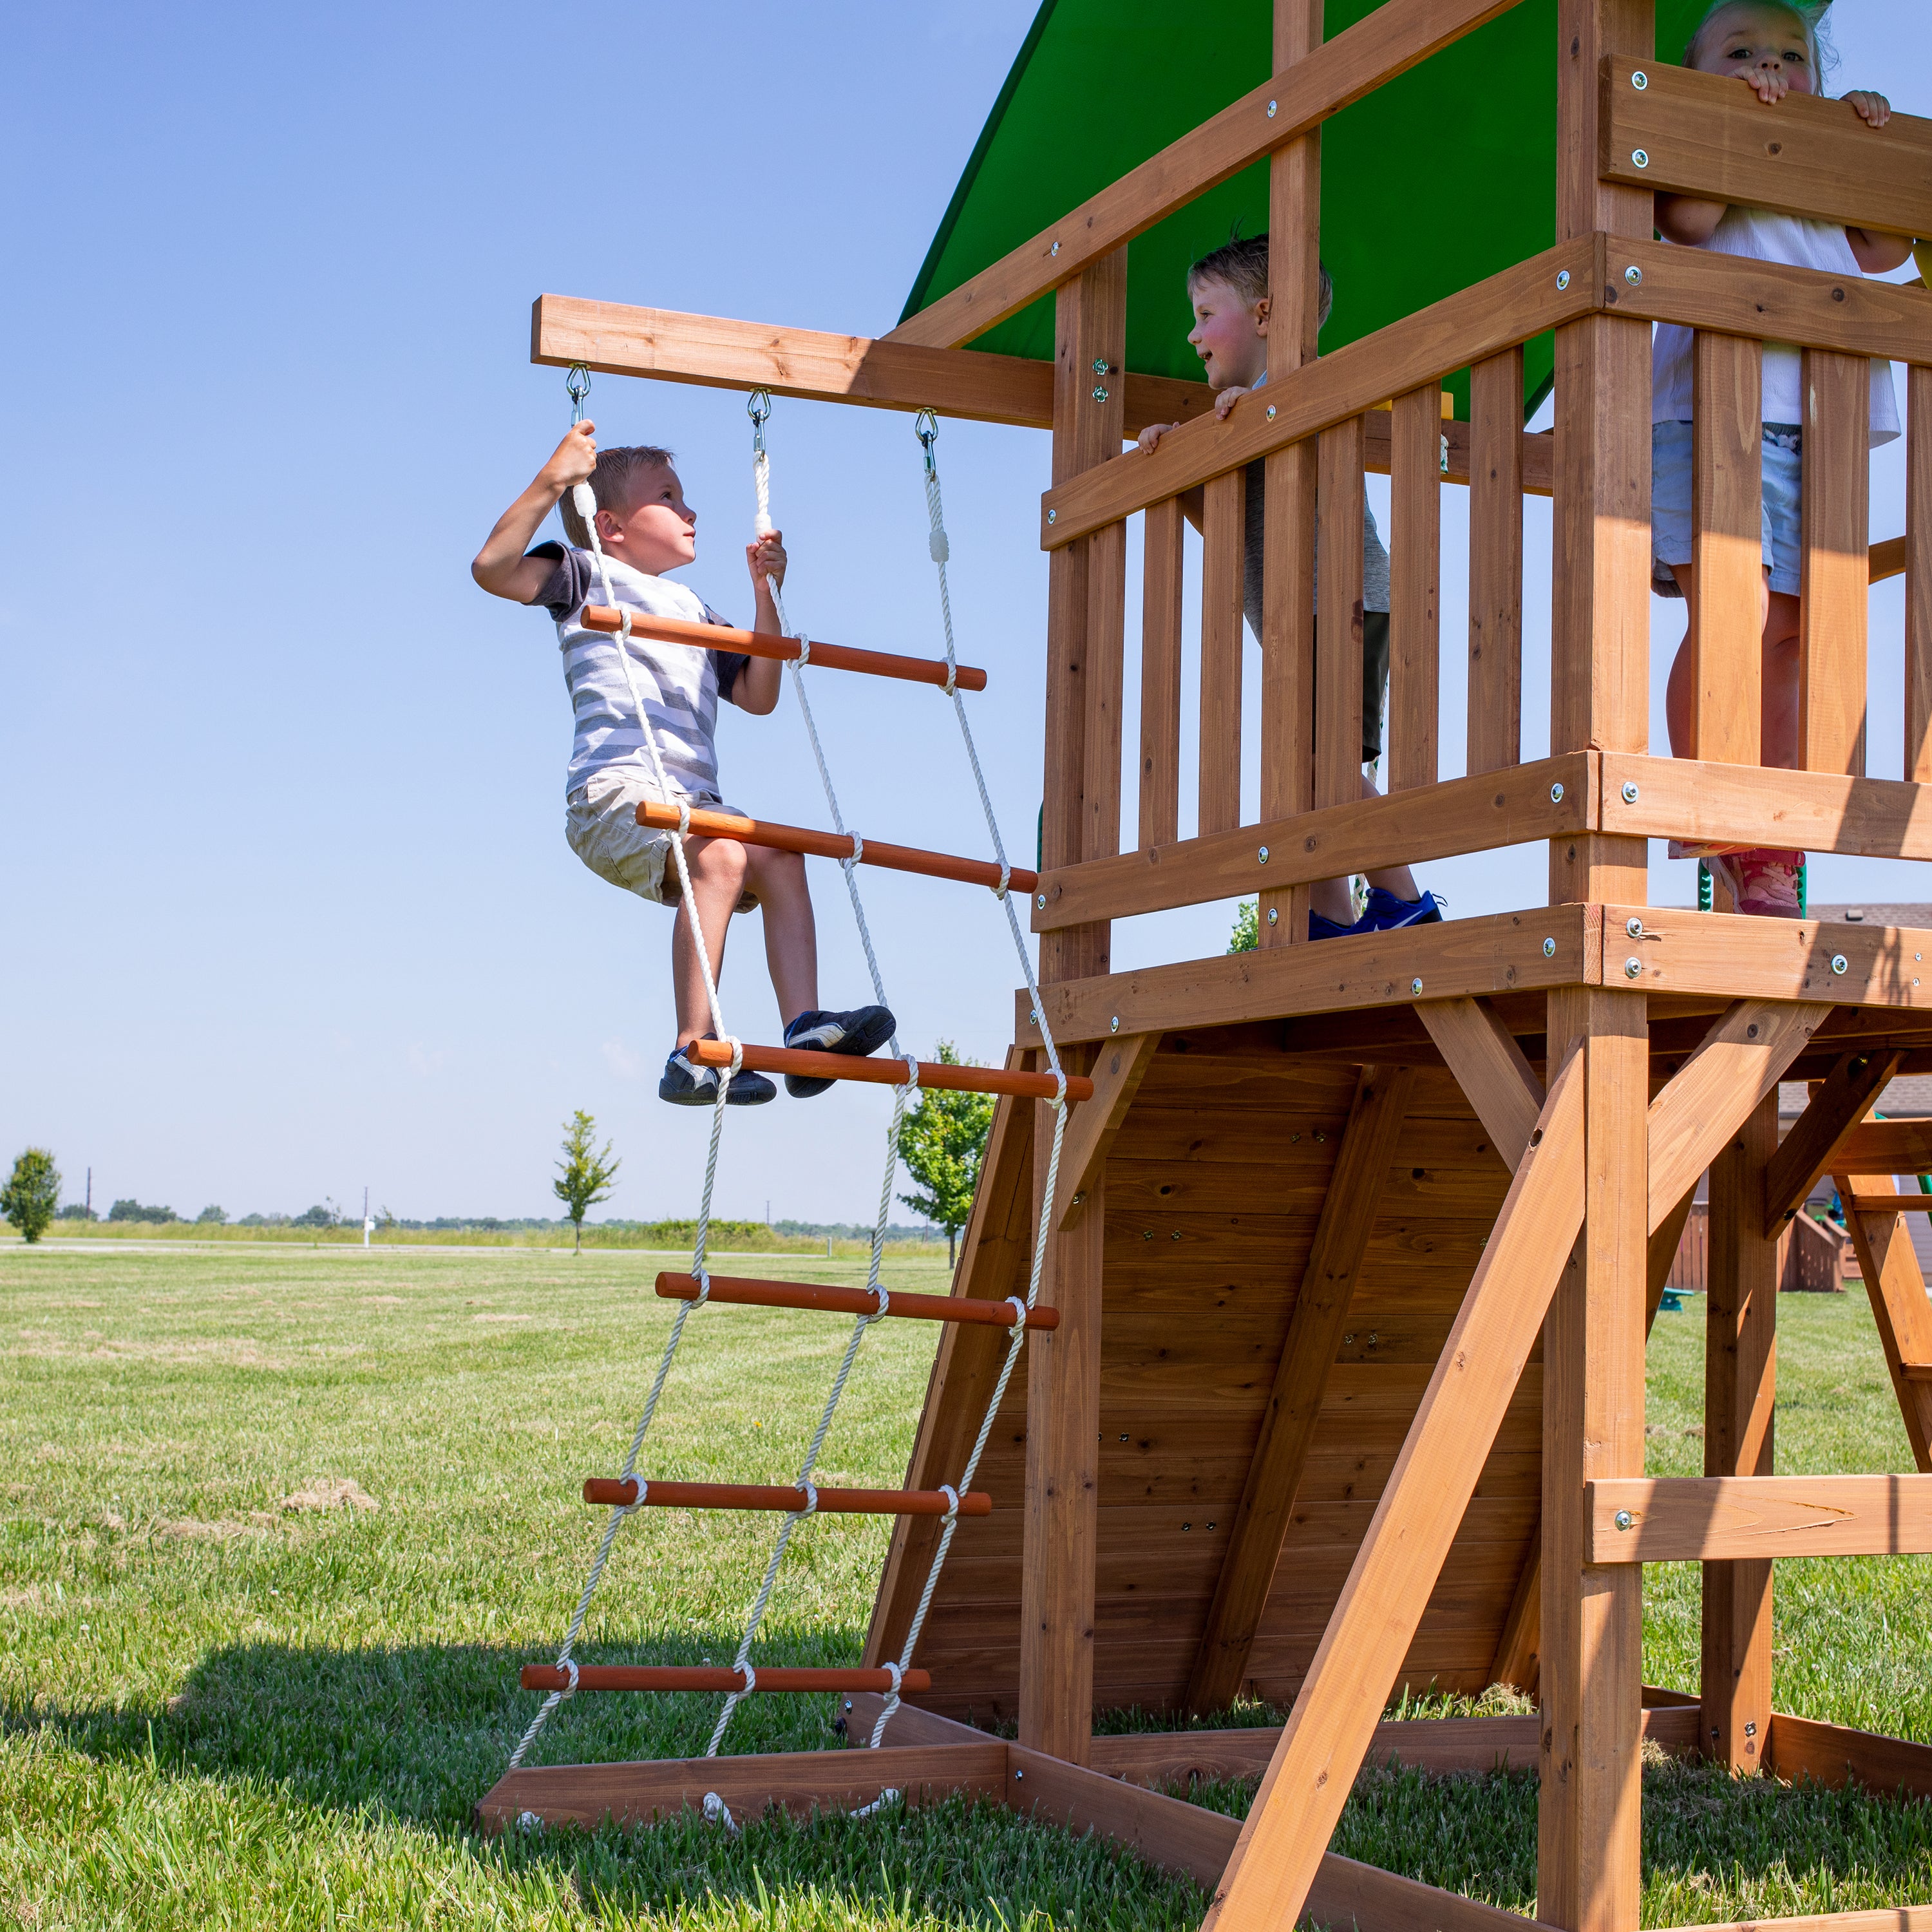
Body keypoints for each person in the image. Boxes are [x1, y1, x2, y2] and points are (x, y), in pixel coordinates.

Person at [472, 421, 894, 1105]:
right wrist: (553, 481)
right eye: (668, 498)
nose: (690, 512)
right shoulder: (586, 577)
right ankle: (690, 1053)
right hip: (614, 798)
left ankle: (805, 1032)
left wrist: (765, 598)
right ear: (609, 525)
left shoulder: (696, 610)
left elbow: (759, 694)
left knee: (783, 854)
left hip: (696, 807)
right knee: (725, 854)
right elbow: (492, 569)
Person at [1654, 1, 1908, 916]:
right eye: (1743, 53)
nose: (1772, 66)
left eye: (1793, 56)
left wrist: (1857, 143)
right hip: (1712, 414)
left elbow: (1887, 246)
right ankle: (1716, 810)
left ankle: (1779, 829)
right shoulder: (1692, 150)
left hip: (1818, 423)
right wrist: (1728, 119)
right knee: (1736, 608)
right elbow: (1687, 220)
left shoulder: (1819, 169)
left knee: (1801, 632)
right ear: (1695, 75)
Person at [1135, 235, 1441, 941]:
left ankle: (1404, 898)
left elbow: (1304, 466)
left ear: (1265, 314)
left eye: (1206, 312)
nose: (1192, 332)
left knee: (1322, 758)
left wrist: (1254, 415)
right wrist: (1174, 466)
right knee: (1299, 767)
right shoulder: (1240, 416)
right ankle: (1329, 917)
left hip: (1343, 602)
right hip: (1288, 617)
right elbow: (1227, 525)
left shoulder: (1303, 391)